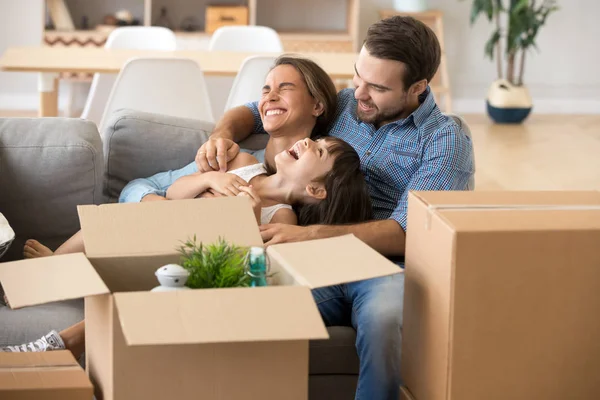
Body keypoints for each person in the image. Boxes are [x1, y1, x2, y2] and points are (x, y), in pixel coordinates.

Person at [2, 56, 373, 356]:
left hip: (181, 270)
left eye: (284, 87)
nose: (270, 96)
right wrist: (208, 179)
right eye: (266, 89)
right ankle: (50, 271)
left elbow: (243, 260)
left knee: (171, 282)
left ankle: (63, 336)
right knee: (120, 219)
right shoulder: (239, 161)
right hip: (151, 237)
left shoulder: (283, 218)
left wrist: (244, 214)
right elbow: (166, 192)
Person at [193, 16, 475, 400]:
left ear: (418, 87)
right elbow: (254, 110)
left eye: (377, 87)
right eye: (359, 77)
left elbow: (409, 232)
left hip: (382, 267)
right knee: (229, 303)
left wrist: (309, 235)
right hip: (308, 257)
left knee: (384, 315)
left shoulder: (445, 140)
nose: (360, 93)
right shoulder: (343, 103)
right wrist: (221, 135)